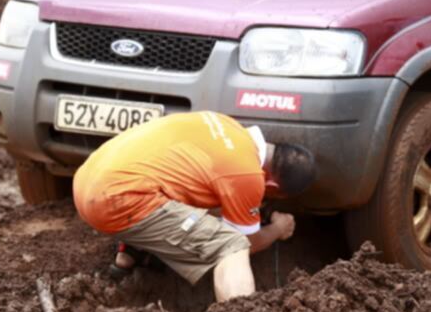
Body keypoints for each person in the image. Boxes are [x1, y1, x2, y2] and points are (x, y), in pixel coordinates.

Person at [73, 111, 316, 302]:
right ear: (271, 183)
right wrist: (278, 229)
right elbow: (247, 242)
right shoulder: (247, 174)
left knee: (186, 195)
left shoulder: (227, 125)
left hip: (88, 180)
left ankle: (129, 256)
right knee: (231, 246)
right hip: (115, 200)